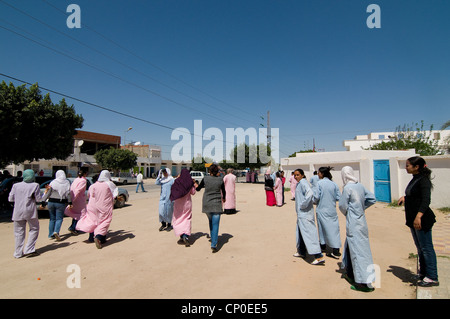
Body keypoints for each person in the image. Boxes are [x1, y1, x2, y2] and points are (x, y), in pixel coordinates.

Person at [398, 156, 438, 287]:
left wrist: (418, 216)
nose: (406, 167)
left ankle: (432, 277)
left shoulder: (423, 180)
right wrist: (405, 197)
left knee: (426, 248)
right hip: (413, 219)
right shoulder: (415, 179)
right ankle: (423, 273)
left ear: (417, 167)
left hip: (421, 220)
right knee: (420, 248)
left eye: (408, 165)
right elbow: (414, 195)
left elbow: (426, 200)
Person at [338, 166, 376, 292]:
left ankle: (362, 283)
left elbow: (342, 206)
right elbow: (372, 199)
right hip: (361, 222)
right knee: (358, 248)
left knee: (358, 251)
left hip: (353, 223)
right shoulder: (359, 185)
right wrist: (360, 208)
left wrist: (351, 212)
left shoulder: (348, 188)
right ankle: (350, 272)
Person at [8, 169, 49, 258]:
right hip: (30, 211)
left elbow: (10, 199)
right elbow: (38, 199)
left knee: (18, 232)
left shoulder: (16, 185)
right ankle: (29, 249)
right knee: (34, 229)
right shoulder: (35, 185)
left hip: (18, 211)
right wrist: (45, 193)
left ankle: (18, 253)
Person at [76, 170, 118, 249]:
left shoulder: (93, 185)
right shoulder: (109, 184)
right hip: (105, 206)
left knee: (93, 221)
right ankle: (98, 237)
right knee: (105, 221)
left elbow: (89, 195)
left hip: (92, 206)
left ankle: (92, 237)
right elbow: (115, 194)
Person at [293, 169, 325, 265]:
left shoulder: (303, 183)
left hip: (305, 214)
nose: (296, 177)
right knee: (301, 233)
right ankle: (302, 251)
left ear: (302, 175)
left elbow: (310, 194)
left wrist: (303, 205)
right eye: (295, 175)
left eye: (298, 175)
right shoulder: (300, 183)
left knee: (309, 234)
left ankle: (318, 256)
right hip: (301, 214)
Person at [195, 164, 226, 253]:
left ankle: (213, 238)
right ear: (217, 172)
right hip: (216, 204)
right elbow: (224, 191)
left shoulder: (205, 178)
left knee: (210, 222)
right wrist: (224, 198)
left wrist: (195, 184)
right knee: (215, 224)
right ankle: (213, 244)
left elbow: (198, 189)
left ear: (209, 171)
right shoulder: (220, 179)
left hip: (207, 203)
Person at [313, 166, 341, 257]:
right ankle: (336, 249)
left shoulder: (319, 183)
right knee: (334, 229)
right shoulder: (334, 184)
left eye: (319, 173)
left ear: (322, 174)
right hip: (332, 210)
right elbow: (338, 197)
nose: (318, 174)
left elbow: (316, 197)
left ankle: (323, 245)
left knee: (322, 228)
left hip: (322, 209)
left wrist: (314, 201)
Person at [170, 168, 196, 246]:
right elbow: (193, 192)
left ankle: (182, 236)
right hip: (187, 204)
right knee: (186, 219)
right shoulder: (190, 182)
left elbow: (173, 191)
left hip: (178, 204)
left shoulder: (177, 181)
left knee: (178, 219)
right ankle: (185, 236)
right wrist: (193, 185)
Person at [45, 170, 72, 241]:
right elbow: (68, 193)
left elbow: (48, 192)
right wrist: (70, 203)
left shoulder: (53, 182)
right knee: (59, 219)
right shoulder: (67, 182)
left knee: (52, 219)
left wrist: (43, 201)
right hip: (60, 202)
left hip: (51, 202)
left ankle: (50, 234)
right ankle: (56, 231)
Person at [65, 167, 88, 235]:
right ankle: (74, 227)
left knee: (76, 214)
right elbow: (78, 190)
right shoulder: (83, 181)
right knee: (81, 214)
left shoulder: (76, 179)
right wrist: (73, 200)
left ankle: (73, 227)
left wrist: (71, 200)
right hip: (78, 200)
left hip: (74, 199)